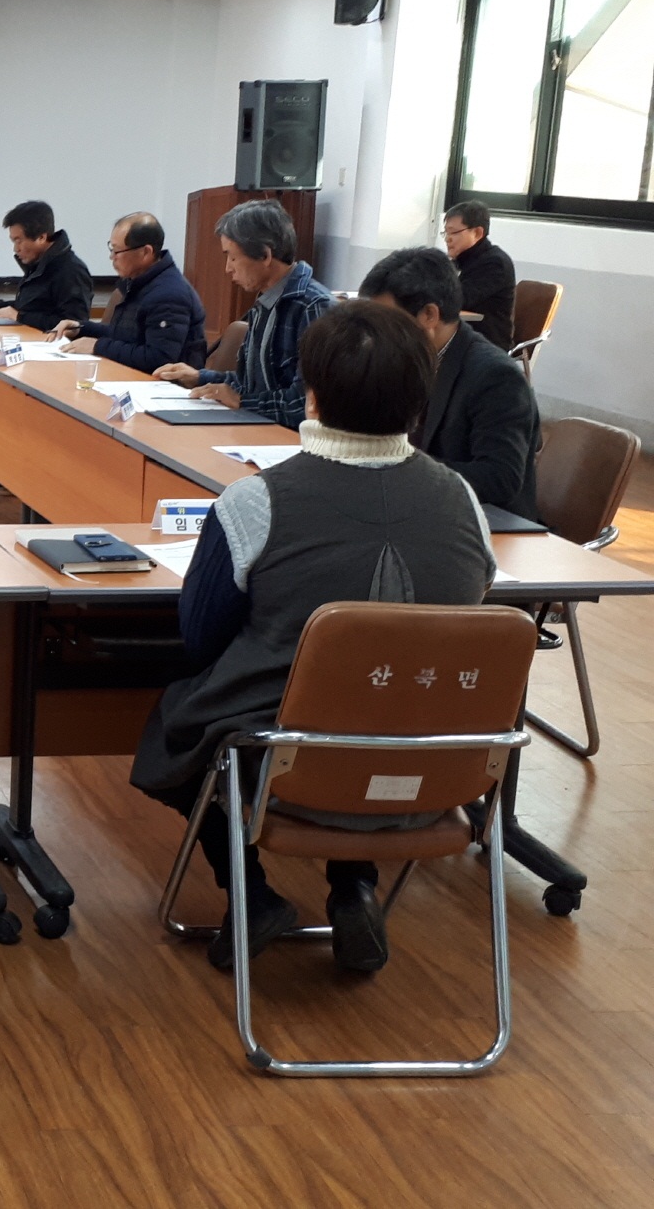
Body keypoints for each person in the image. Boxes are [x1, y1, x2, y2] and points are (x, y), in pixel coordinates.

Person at [131, 301, 496, 975]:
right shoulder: (464, 501)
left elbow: (201, 637)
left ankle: (253, 896)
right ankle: (354, 886)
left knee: (181, 722)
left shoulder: (256, 501)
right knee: (371, 702)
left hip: (289, 761)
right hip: (435, 766)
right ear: (420, 400)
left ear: (312, 395)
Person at [359, 246, 540, 518]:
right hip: (415, 505)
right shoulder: (406, 357)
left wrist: (400, 466)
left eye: (387, 321)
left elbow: (499, 478)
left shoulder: (496, 377)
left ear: (429, 315)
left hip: (480, 521)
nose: (378, 334)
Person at [153, 199, 331, 425]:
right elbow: (252, 385)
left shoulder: (314, 307)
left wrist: (243, 401)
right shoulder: (267, 300)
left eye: (233, 257)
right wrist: (199, 377)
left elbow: (305, 405)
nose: (228, 268)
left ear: (265, 255)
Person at [52, 212, 207, 373]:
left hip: (165, 384)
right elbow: (125, 336)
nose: (112, 257)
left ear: (146, 252)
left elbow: (159, 359)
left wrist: (97, 346)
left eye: (117, 251)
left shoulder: (169, 294)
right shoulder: (139, 282)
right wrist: (82, 328)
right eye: (111, 249)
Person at [0, 200, 93, 329]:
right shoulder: (38, 263)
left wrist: (19, 316)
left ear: (41, 238)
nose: (16, 249)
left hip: (47, 341)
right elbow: (34, 305)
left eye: (19, 241)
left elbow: (74, 325)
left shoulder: (72, 271)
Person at [443, 199, 517, 352]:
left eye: (453, 232)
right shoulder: (460, 260)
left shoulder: (495, 263)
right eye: (446, 232)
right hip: (462, 337)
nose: (447, 238)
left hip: (486, 344)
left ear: (477, 233)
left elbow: (459, 299)